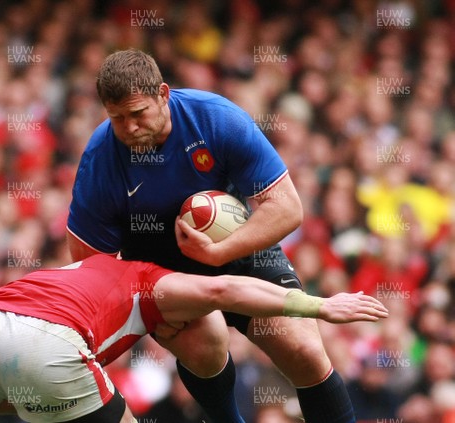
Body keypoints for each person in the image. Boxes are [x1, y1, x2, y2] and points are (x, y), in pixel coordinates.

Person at [66, 48, 357, 422]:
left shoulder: (215, 119)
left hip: (238, 246)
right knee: (207, 344)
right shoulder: (100, 160)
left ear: (163, 94)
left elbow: (287, 208)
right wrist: (140, 307)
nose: (129, 128)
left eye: (138, 114)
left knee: (304, 351)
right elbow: (90, 263)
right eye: (117, 118)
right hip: (160, 272)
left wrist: (221, 252)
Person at [0, 254, 388, 423]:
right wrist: (318, 306)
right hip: (47, 340)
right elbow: (223, 290)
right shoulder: (151, 280)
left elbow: (15, 390)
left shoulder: (92, 266)